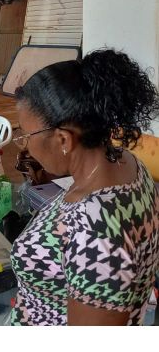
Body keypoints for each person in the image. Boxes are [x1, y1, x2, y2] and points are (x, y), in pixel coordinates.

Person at [10, 49, 159, 325]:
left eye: (25, 135)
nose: (25, 144)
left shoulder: (93, 231)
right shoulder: (125, 162)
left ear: (64, 140)